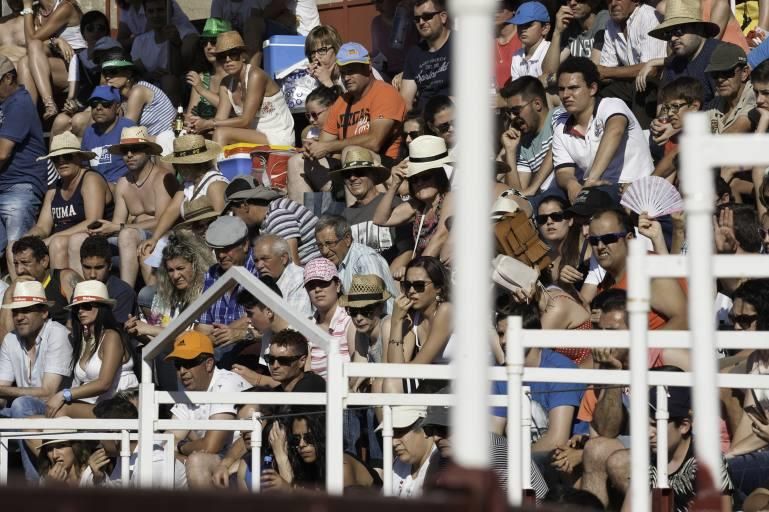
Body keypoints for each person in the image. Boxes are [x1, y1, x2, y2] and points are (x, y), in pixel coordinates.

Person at [87, 125, 178, 288]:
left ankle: (125, 293)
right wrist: (104, 229)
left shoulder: (162, 177)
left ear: (147, 151)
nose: (129, 155)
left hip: (163, 235)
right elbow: (118, 223)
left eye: (135, 150)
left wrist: (118, 227)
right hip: (131, 235)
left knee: (127, 234)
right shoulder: (123, 182)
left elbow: (163, 221)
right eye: (125, 151)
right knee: (79, 240)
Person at [552, 57, 653, 202]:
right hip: (594, 187)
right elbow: (563, 171)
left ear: (592, 88)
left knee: (589, 200)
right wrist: (571, 184)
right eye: (561, 89)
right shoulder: (560, 126)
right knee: (548, 201)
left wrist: (592, 179)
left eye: (573, 88)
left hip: (633, 185)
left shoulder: (612, 104)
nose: (566, 95)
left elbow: (615, 130)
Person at [0, 280, 72, 480]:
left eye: (26, 311)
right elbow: (2, 395)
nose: (19, 317)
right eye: (15, 312)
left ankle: (37, 488)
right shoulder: (10, 340)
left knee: (21, 405)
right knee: (18, 408)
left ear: (44, 313)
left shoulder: (57, 333)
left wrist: (5, 392)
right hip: (23, 413)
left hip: (59, 411)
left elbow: (48, 392)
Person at [164, 331, 249, 487]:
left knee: (196, 462)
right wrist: (181, 453)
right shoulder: (189, 392)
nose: (182, 371)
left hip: (244, 458)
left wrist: (180, 447)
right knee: (156, 460)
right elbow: (166, 442)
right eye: (178, 365)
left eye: (188, 363)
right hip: (217, 460)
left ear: (209, 364)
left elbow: (211, 446)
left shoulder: (226, 383)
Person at [421, 400, 549, 500]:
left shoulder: (496, 453)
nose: (436, 438)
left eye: (444, 429)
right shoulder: (447, 454)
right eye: (431, 430)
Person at [25, 131, 114, 273]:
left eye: (66, 156)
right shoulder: (54, 188)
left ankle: (66, 292)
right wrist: (26, 240)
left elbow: (93, 221)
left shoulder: (90, 179)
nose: (61, 161)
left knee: (58, 243)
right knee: (16, 246)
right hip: (60, 240)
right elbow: (42, 227)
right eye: (56, 158)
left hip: (93, 239)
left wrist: (55, 237)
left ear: (79, 157)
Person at [46, 280, 137, 418]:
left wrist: (64, 394)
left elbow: (104, 383)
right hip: (99, 406)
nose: (80, 311)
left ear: (102, 308)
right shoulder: (85, 339)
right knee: (30, 424)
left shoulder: (112, 336)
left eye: (86, 306)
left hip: (123, 407)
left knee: (60, 411)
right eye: (77, 308)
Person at [187, 31, 295, 147]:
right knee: (200, 136)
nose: (227, 60)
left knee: (221, 133)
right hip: (254, 134)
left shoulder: (255, 75)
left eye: (233, 54)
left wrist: (208, 124)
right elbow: (220, 119)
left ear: (243, 56)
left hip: (278, 135)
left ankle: (214, 165)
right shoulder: (226, 84)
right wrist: (198, 125)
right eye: (222, 57)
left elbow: (245, 121)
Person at [306, 42, 407, 165]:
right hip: (349, 166)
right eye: (343, 72)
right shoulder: (342, 101)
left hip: (384, 166)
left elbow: (374, 142)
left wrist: (328, 147)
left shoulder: (385, 93)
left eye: (351, 71)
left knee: (352, 151)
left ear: (368, 66)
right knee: (297, 162)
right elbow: (323, 143)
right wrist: (311, 149)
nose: (346, 78)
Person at [590, 208, 688, 329]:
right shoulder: (607, 282)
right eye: (593, 241)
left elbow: (685, 320)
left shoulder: (650, 270)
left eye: (608, 239)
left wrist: (641, 347)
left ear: (629, 239)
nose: (599, 247)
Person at [373, 136, 454, 275]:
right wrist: (394, 185)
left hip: (445, 274)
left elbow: (441, 236)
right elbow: (380, 220)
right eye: (414, 178)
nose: (419, 182)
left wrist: (413, 271)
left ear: (439, 176)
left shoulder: (451, 198)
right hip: (425, 273)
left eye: (426, 176)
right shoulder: (418, 206)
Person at [139, 134, 228, 256]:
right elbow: (172, 210)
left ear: (193, 164)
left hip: (212, 243)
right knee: (149, 252)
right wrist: (154, 238)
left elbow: (223, 221)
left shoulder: (215, 184)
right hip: (190, 240)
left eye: (180, 164)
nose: (177, 167)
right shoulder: (187, 185)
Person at [0, 56, 48, 265]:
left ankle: (25, 296)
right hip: (4, 186)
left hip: (20, 186)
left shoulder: (19, 103)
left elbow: (2, 153)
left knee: (18, 253)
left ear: (9, 78)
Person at [334, 147, 412, 264]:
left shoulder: (392, 203)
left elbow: (408, 249)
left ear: (373, 175)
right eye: (347, 174)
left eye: (359, 172)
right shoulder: (344, 216)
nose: (352, 178)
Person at [386, 256, 453, 393]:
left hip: (461, 382)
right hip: (435, 381)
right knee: (385, 382)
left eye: (419, 285)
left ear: (438, 288)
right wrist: (396, 322)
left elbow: (419, 366)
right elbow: (395, 368)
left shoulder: (446, 310)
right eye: (407, 285)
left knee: (390, 383)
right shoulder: (413, 318)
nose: (411, 291)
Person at [196, 215, 257, 365]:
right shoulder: (211, 273)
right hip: (217, 347)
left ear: (244, 245)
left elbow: (257, 318)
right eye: (217, 250)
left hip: (250, 344)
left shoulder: (259, 268)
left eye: (227, 248)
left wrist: (229, 332)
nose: (221, 255)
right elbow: (202, 326)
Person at [264, 413, 381, 490]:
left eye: (309, 438)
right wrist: (281, 457)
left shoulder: (341, 465)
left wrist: (281, 457)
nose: (302, 444)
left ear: (322, 437)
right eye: (296, 439)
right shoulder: (308, 465)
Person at [596, 0, 667, 128]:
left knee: (643, 84)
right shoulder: (611, 25)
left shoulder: (649, 16)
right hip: (628, 82)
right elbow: (607, 68)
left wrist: (605, 72)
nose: (613, 4)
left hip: (658, 83)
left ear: (635, 1)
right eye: (609, 0)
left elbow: (651, 69)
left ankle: (644, 137)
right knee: (598, 92)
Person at [91, 395, 188, 488]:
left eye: (100, 433)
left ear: (117, 436)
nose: (99, 442)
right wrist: (100, 478)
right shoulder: (126, 454)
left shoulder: (152, 463)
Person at [224, 180, 321, 265]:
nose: (235, 218)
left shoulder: (277, 216)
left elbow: (292, 266)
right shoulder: (269, 215)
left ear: (244, 206)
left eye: (234, 212)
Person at [314, 214, 399, 312]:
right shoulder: (333, 263)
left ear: (347, 239)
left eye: (329, 243)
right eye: (320, 246)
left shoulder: (363, 258)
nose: (324, 251)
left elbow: (372, 299)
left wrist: (338, 302)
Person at [18, 0, 86, 119]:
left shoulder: (65, 7)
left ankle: (45, 106)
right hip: (58, 63)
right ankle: (31, 118)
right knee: (24, 62)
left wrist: (27, 6)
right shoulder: (38, 12)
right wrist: (56, 41)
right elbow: (34, 45)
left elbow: (32, 40)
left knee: (30, 53)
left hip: (77, 66)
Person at [648, 2, 724, 106]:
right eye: (668, 33)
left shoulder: (718, 55)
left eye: (678, 31)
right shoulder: (673, 64)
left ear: (698, 28)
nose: (673, 38)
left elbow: (723, 109)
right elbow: (663, 105)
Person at [99, 54, 176, 153]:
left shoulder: (138, 91)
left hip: (166, 143)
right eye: (105, 73)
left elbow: (126, 130)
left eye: (113, 72)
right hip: (151, 144)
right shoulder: (121, 96)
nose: (108, 77)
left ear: (128, 73)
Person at [2, 236, 81, 332]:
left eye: (25, 263)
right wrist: (8, 294)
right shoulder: (17, 289)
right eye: (16, 264)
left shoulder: (64, 279)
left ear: (44, 261)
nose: (19, 271)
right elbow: (5, 337)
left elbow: (82, 318)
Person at [499, 76, 561, 195]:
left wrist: (533, 187)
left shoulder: (558, 117)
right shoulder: (524, 145)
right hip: (544, 201)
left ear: (537, 104)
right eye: (509, 113)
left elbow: (558, 145)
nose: (512, 118)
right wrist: (510, 150)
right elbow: (517, 195)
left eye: (516, 111)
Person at [285, 85, 341, 203]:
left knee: (297, 162)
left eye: (315, 114)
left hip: (337, 175)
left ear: (332, 108)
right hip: (319, 178)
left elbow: (338, 158)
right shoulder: (309, 132)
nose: (311, 119)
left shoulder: (342, 126)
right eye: (308, 115)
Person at [303, 258, 354, 379]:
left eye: (323, 283)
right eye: (311, 285)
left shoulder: (350, 321)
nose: (317, 289)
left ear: (337, 286)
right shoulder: (306, 326)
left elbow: (357, 368)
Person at [129, 0, 184, 105]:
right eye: (151, 11)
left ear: (169, 12)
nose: (156, 15)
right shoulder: (140, 41)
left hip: (176, 87)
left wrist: (176, 44)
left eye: (160, 10)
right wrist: (150, 75)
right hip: (148, 86)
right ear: (146, 14)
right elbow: (137, 72)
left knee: (169, 80)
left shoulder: (181, 34)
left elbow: (178, 71)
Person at [400, 0, 451, 112]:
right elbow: (405, 103)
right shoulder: (414, 54)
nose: (421, 22)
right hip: (423, 121)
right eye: (417, 19)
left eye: (427, 16)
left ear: (443, 17)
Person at [81, 85, 136, 183]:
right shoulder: (89, 132)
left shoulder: (128, 128)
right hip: (97, 188)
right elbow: (85, 166)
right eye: (94, 104)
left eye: (105, 104)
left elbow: (139, 164)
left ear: (117, 107)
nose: (98, 108)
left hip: (124, 185)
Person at [383, 405, 440, 498]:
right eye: (392, 433)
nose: (394, 442)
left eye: (400, 432)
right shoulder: (398, 464)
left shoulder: (442, 465)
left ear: (425, 429)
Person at [542, 0, 608, 78]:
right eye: (568, 0)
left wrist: (554, 78)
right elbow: (548, 72)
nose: (572, 3)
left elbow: (593, 70)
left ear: (594, 2)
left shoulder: (604, 18)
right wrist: (557, 31)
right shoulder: (570, 25)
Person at [79, 235, 136, 324]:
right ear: (81, 264)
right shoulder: (79, 291)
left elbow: (116, 333)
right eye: (87, 267)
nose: (92, 275)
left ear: (110, 266)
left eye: (99, 268)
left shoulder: (123, 293)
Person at [252, 234, 313, 318]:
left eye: (265, 259)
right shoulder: (263, 281)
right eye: (256, 260)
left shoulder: (298, 278)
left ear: (283, 258)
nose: (259, 266)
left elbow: (298, 324)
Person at [185, 18, 232, 122]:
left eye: (214, 41)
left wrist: (202, 90)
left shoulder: (236, 74)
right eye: (204, 42)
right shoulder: (201, 78)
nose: (208, 47)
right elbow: (190, 115)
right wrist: (188, 122)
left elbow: (233, 109)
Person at [705, 42, 755, 134]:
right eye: (714, 74)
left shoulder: (757, 95)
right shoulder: (715, 104)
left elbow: (737, 130)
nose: (720, 79)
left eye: (726, 72)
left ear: (744, 73)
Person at [509, 2, 551, 82]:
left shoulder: (550, 51)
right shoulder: (517, 56)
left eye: (528, 25)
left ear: (545, 28)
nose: (523, 29)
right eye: (520, 25)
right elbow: (516, 89)